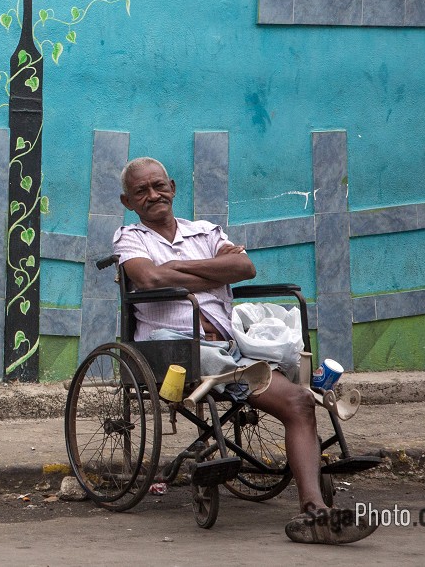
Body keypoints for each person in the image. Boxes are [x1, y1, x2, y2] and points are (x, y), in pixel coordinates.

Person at [113, 157, 374, 545]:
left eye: (159, 186)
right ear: (128, 201)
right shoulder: (129, 237)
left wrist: (179, 267)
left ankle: (314, 511)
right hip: (171, 348)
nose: (153, 195)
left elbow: (244, 268)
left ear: (172, 187)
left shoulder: (205, 230)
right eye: (141, 191)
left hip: (229, 348)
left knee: (300, 401)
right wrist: (215, 270)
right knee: (227, 364)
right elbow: (150, 278)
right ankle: (244, 397)